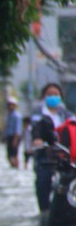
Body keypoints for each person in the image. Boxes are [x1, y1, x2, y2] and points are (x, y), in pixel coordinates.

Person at [31, 82, 73, 217]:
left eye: (56, 94)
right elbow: (35, 131)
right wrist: (38, 140)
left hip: (65, 156)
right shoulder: (38, 115)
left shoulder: (67, 115)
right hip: (45, 156)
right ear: (43, 96)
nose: (53, 97)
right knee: (43, 180)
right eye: (49, 94)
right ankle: (44, 211)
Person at [4, 96, 23, 169]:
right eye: (9, 105)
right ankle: (13, 167)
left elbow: (17, 129)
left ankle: (16, 167)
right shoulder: (9, 115)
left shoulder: (17, 116)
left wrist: (15, 140)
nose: (10, 106)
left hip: (15, 137)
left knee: (14, 155)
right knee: (9, 155)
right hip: (10, 137)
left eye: (11, 104)